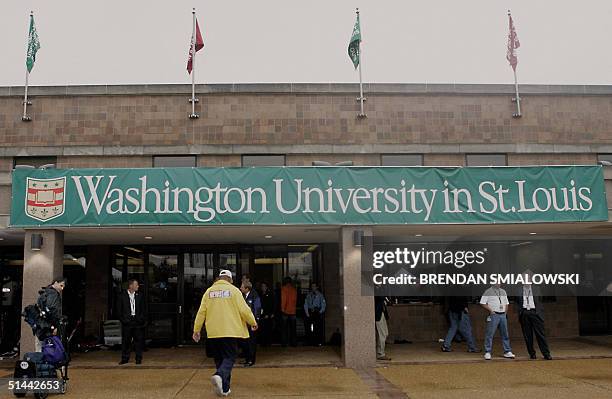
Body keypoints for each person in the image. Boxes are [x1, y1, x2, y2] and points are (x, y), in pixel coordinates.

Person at [193, 270, 257, 397]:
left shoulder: (209, 292)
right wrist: (253, 322)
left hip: (213, 333)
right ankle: (219, 375)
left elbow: (201, 312)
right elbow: (244, 310)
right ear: (230, 279)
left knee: (219, 360)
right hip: (229, 331)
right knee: (229, 358)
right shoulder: (234, 291)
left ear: (219, 279)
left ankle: (225, 388)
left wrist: (197, 329)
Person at [517, 270, 552, 360]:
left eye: (528, 278)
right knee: (528, 336)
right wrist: (521, 313)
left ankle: (546, 354)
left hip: (535, 313)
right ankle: (532, 353)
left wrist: (538, 311)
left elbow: (540, 300)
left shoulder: (537, 289)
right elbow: (518, 302)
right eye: (524, 278)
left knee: (540, 335)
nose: (526, 280)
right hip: (524, 313)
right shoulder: (518, 290)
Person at [480, 284, 515, 360]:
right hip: (494, 314)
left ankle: (507, 351)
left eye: (499, 281)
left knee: (505, 334)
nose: (498, 283)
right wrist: (491, 311)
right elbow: (482, 302)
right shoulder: (488, 291)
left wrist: (505, 313)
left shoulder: (503, 291)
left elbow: (506, 303)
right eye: (496, 281)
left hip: (503, 315)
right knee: (490, 334)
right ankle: (487, 352)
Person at [117, 279, 146, 365]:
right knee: (126, 341)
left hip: (137, 321)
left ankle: (138, 358)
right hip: (127, 322)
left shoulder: (140, 295)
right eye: (136, 284)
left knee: (138, 341)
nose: (138, 286)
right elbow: (118, 310)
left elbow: (143, 309)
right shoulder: (122, 296)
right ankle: (125, 358)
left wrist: (141, 319)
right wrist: (123, 320)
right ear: (131, 286)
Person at [35, 276, 66, 351]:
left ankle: (39, 361)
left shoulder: (45, 292)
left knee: (40, 345)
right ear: (55, 283)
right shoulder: (53, 294)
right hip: (48, 325)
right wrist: (55, 325)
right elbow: (52, 310)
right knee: (48, 346)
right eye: (61, 285)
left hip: (40, 324)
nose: (62, 288)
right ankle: (45, 361)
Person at [240, 280, 261, 367]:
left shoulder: (254, 296)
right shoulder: (243, 295)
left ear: (247, 288)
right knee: (245, 342)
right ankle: (247, 359)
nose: (240, 288)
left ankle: (251, 360)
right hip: (244, 324)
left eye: (242, 287)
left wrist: (255, 322)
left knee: (251, 342)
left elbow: (258, 309)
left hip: (252, 323)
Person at [280, 277, 297, 347]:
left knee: (284, 329)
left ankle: (284, 343)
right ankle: (293, 343)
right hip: (293, 311)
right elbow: (295, 300)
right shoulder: (294, 289)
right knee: (293, 329)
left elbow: (284, 300)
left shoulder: (283, 289)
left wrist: (282, 309)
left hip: (285, 311)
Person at [375, 295, 391, 361]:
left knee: (385, 333)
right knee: (382, 334)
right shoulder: (376, 290)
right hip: (378, 315)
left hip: (382, 313)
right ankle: (380, 354)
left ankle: (380, 352)